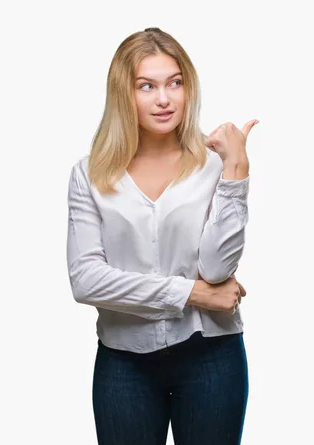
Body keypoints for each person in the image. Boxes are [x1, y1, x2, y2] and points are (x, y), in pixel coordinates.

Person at [66, 27, 258, 445]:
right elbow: (86, 280)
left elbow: (217, 267)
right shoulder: (90, 174)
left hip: (211, 356)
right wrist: (194, 294)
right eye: (146, 86)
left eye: (175, 82)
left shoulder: (213, 166)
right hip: (124, 362)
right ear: (124, 95)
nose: (164, 98)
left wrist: (236, 170)